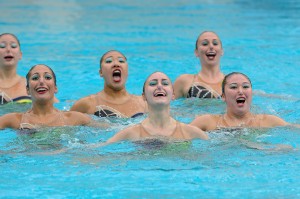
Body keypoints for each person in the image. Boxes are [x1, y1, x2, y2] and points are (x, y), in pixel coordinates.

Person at [104, 71, 208, 144]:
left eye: (165, 83)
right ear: (144, 96)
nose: (159, 86)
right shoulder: (130, 133)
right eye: (153, 83)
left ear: (173, 95)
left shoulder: (191, 132)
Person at [0, 64, 91, 130]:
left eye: (47, 77)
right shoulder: (13, 120)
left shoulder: (73, 118)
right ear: (27, 90)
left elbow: (104, 130)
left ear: (55, 88)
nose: (41, 81)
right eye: (35, 78)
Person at [190, 72, 289, 131]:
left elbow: (294, 129)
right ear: (223, 96)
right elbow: (179, 135)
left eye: (245, 87)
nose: (240, 91)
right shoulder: (208, 122)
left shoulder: (269, 121)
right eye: (233, 87)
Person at [70, 50, 147, 118]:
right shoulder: (87, 104)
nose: (116, 64)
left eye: (121, 61)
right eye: (109, 61)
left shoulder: (144, 103)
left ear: (127, 71)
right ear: (101, 72)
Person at [173, 31, 225, 99]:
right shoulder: (184, 81)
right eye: (205, 44)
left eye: (215, 43)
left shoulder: (232, 82)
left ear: (221, 51)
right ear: (196, 52)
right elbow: (170, 107)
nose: (211, 46)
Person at [0, 33, 31, 104]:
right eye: (2, 46)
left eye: (13, 46)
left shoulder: (31, 85)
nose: (8, 49)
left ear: (20, 55)